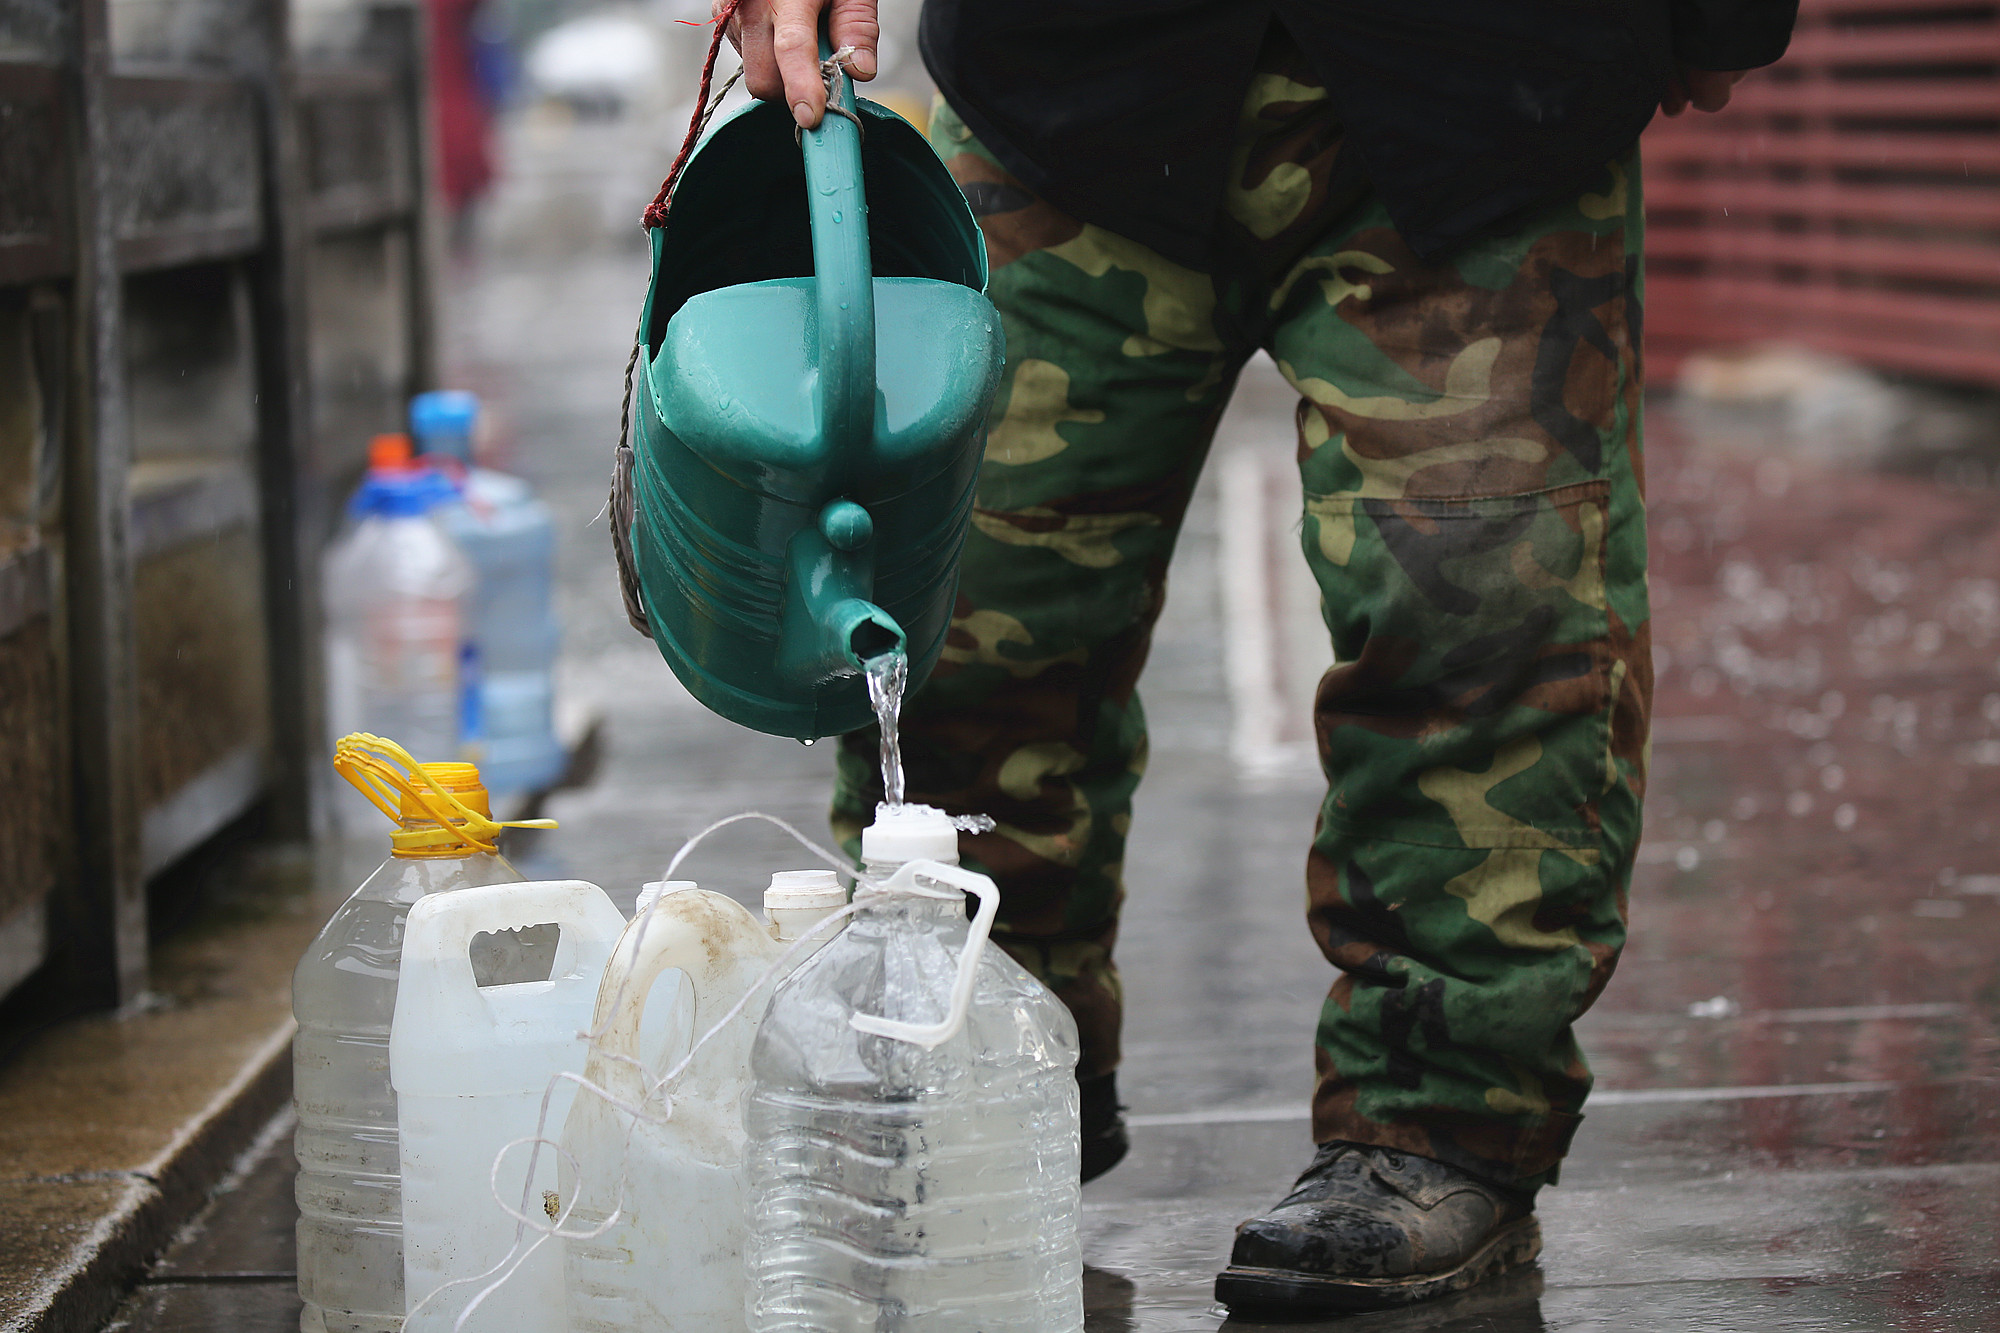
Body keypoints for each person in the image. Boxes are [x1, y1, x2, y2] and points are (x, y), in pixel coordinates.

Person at [722, 0, 1796, 1315]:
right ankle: (969, 1075)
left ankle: (1436, 1127)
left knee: (1478, 618)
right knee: (969, 618)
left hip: (1486, 81)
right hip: (1069, 78)